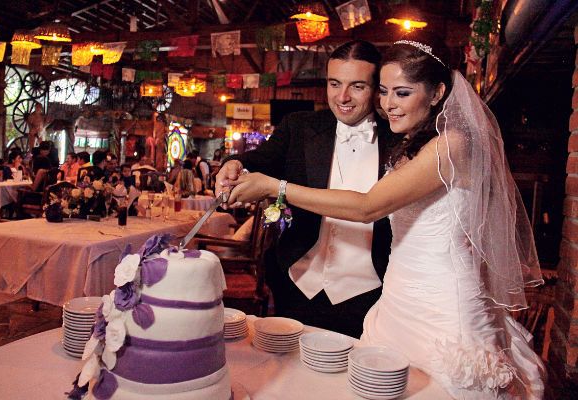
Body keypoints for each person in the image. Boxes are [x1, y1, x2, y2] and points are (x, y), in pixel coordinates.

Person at [225, 32, 546, 399]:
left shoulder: (451, 144)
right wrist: (237, 165)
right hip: (392, 300)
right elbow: (261, 159)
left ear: (438, 93)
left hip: (431, 304)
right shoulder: (413, 141)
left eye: (402, 92)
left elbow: (368, 206)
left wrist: (275, 188)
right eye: (384, 91)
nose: (389, 104)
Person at [215, 40, 391, 338]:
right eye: (334, 84)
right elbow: (258, 160)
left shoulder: (398, 138)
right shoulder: (299, 126)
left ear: (377, 89)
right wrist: (233, 164)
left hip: (372, 293)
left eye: (357, 86)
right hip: (298, 282)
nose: (343, 97)